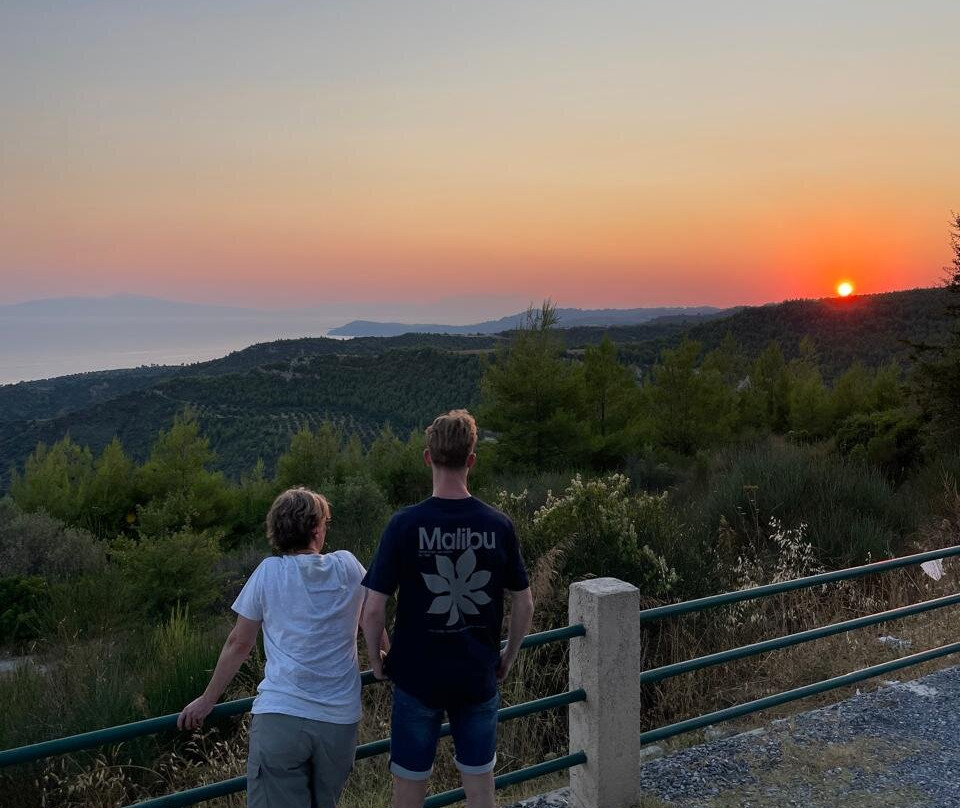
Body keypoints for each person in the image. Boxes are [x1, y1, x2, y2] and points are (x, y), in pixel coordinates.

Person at [361, 409, 535, 808]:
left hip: (415, 678)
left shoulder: (403, 525)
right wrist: (508, 655)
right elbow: (524, 601)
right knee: (480, 789)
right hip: (477, 675)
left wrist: (376, 661)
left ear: (428, 458)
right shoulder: (498, 525)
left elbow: (372, 612)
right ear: (471, 459)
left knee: (408, 792)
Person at [178, 487, 381, 808]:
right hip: (339, 723)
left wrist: (207, 700)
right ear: (316, 529)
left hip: (282, 718)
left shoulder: (268, 572)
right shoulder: (348, 565)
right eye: (325, 522)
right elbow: (373, 613)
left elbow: (239, 643)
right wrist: (382, 657)